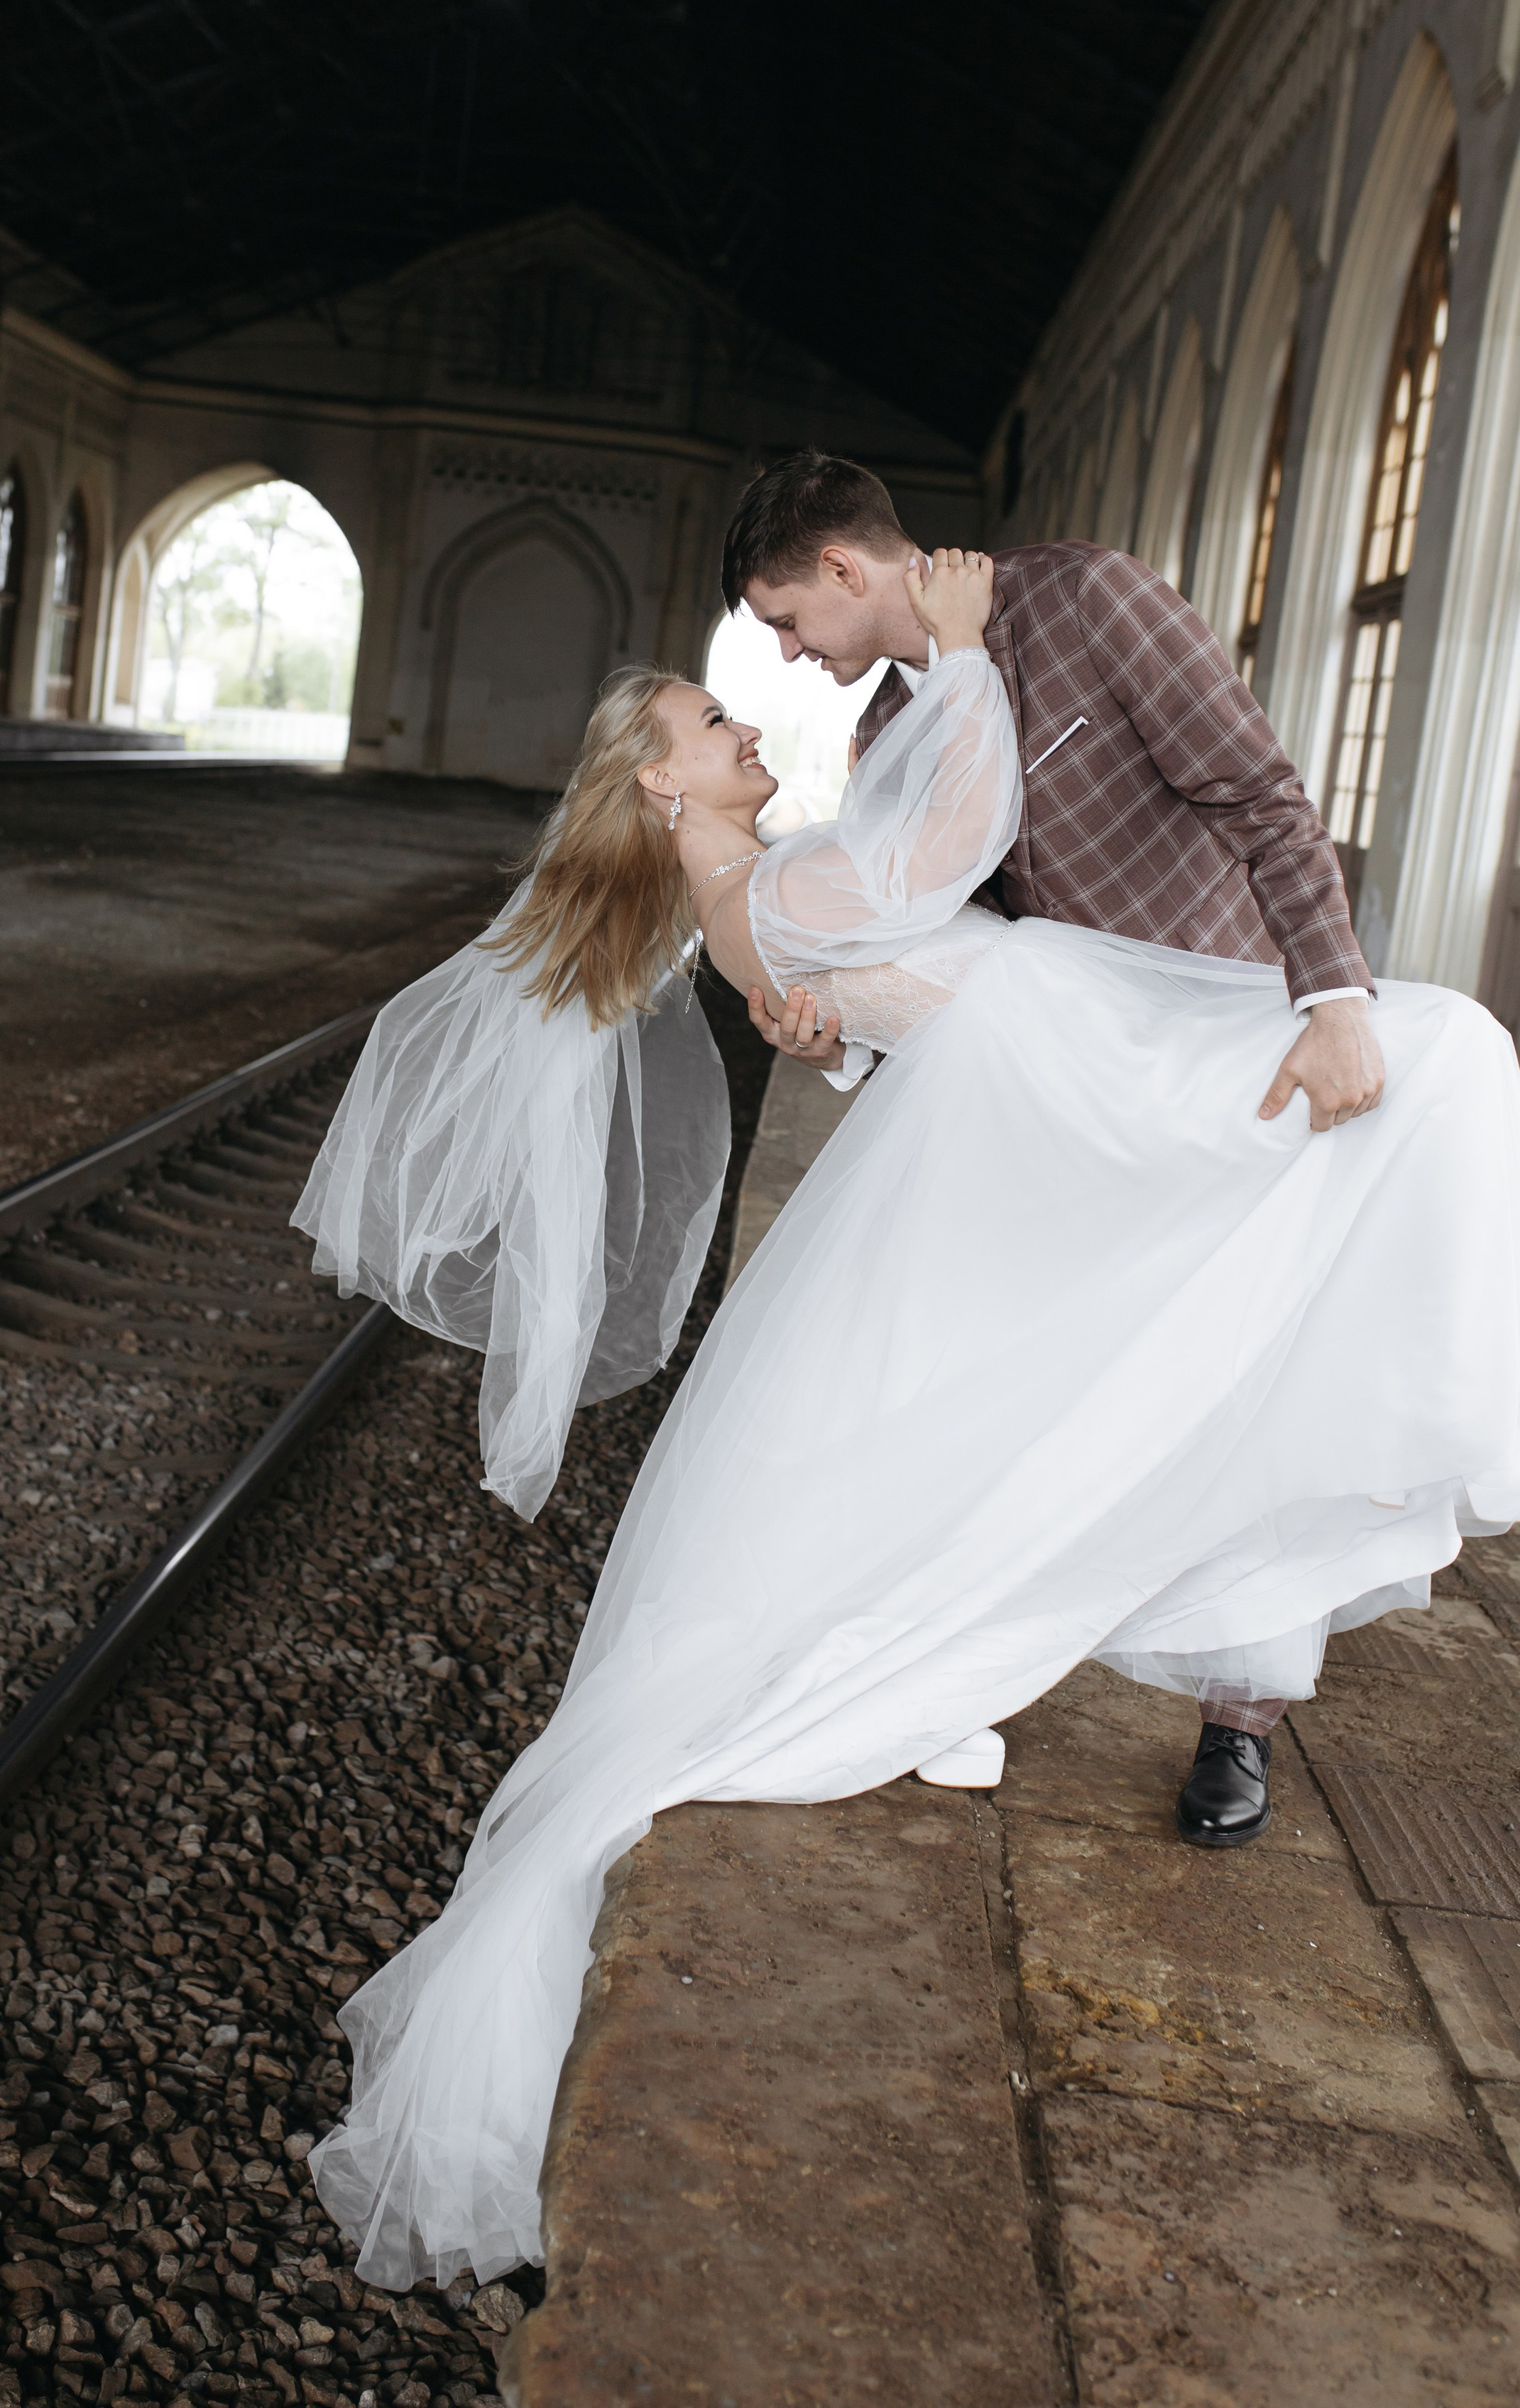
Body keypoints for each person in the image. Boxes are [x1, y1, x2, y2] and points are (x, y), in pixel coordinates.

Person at [291, 554, 1520, 2291]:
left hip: (1053, 1062)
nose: (747, 714)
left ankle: (1196, 1532)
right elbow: (944, 847)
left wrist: (830, 1025)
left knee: (1413, 1096)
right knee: (1451, 1060)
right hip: (1068, 1072)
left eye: (748, 682)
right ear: (661, 785)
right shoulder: (761, 885)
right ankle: (959, 1635)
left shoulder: (755, 884)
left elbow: (872, 961)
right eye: (716, 718)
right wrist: (953, 657)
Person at [725, 447, 1386, 1841]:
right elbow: (937, 947)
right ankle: (970, 1660)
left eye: (784, 619)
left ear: (842, 568)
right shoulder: (893, 717)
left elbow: (1258, 796)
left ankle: (1237, 1722)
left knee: (1245, 1383)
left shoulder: (1093, 599)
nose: (787, 653)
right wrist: (831, 1040)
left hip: (1234, 1061)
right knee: (1023, 1372)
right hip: (1061, 1103)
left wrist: (1330, 1002)